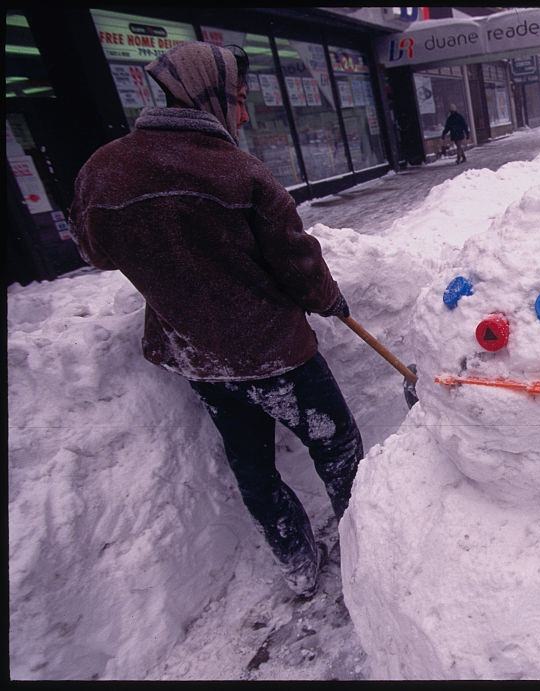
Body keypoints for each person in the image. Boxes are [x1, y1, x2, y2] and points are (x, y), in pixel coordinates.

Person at [69, 41, 364, 598]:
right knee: (338, 446)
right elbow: (296, 262)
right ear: (208, 94)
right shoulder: (237, 172)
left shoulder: (101, 171)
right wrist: (328, 299)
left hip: (199, 358)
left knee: (254, 470)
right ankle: (370, 545)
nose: (245, 112)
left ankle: (298, 564)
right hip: (274, 352)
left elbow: (97, 252)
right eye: (240, 97)